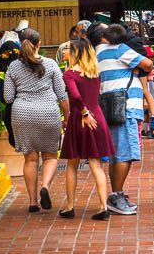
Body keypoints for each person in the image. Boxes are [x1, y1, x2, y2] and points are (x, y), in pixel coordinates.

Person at [3, 28, 69, 213]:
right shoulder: (50, 64)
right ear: (39, 44)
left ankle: (32, 202)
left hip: (22, 114)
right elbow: (62, 94)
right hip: (48, 112)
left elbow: (8, 97)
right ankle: (45, 187)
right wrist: (68, 117)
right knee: (50, 156)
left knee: (30, 159)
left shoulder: (13, 67)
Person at [96, 24, 153, 215]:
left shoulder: (97, 52)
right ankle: (117, 195)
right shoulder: (120, 50)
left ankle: (115, 194)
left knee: (116, 154)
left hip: (110, 106)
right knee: (125, 154)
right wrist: (135, 69)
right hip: (126, 107)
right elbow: (148, 64)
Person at [58, 39, 114, 221]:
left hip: (80, 119)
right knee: (96, 163)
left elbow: (74, 95)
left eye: (68, 49)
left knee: (72, 164)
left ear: (75, 53)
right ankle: (103, 205)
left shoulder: (70, 74)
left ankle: (70, 205)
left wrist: (84, 113)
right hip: (98, 117)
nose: (65, 52)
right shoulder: (94, 73)